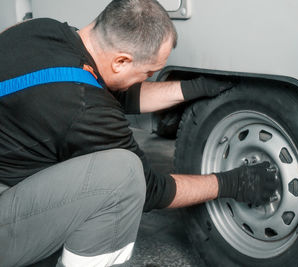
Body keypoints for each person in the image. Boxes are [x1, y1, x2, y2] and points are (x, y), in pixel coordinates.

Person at [0, 0, 280, 266]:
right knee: (124, 177)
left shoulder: (41, 31)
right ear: (121, 61)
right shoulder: (84, 107)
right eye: (148, 73)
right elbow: (152, 190)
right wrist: (232, 184)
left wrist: (192, 89)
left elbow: (98, 88)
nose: (146, 79)